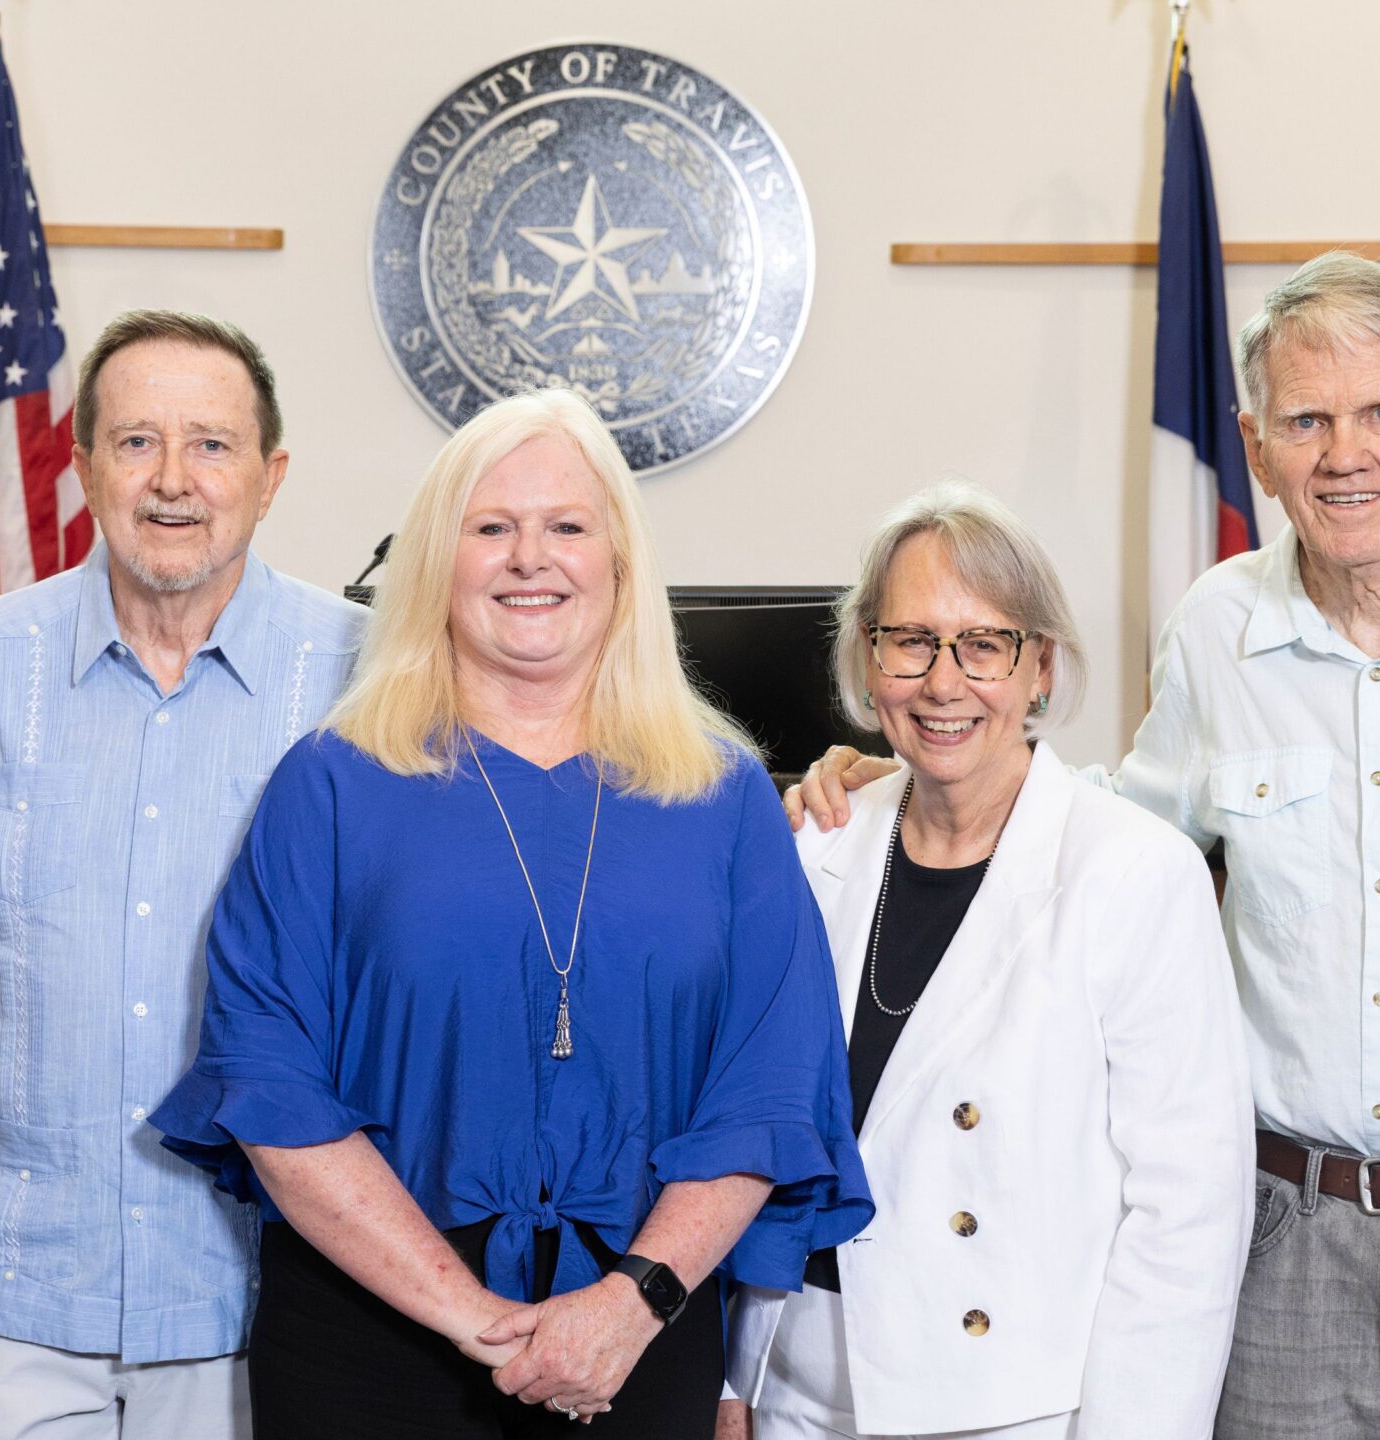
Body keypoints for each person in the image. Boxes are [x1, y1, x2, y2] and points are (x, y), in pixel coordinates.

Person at [793, 252, 1380, 1438]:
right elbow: (1118, 825)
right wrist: (927, 769)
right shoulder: (1216, 628)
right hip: (1291, 1255)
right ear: (1256, 445)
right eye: (1306, 420)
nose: (1344, 453)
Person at [149, 387, 872, 1440]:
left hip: (640, 1334)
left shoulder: (725, 799)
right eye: (490, 528)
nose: (530, 557)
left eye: (567, 526)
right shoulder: (331, 784)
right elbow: (268, 1081)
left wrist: (631, 1304)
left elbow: (770, 1087)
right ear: (437, 565)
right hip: (369, 1341)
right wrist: (477, 1319)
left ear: (620, 562)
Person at [0, 312, 366, 1437]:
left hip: (267, 1297)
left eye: (211, 444)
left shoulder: (365, 676)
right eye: (137, 441)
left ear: (271, 475)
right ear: (85, 466)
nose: (173, 479)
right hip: (7, 1293)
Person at [719, 483, 1250, 1440]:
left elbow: (1188, 1216)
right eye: (911, 640)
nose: (943, 682)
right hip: (794, 1389)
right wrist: (731, 1381)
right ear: (868, 658)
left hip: (1008, 1408)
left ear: (1040, 666)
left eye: (984, 644)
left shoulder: (1135, 873)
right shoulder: (811, 848)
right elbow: (750, 1134)